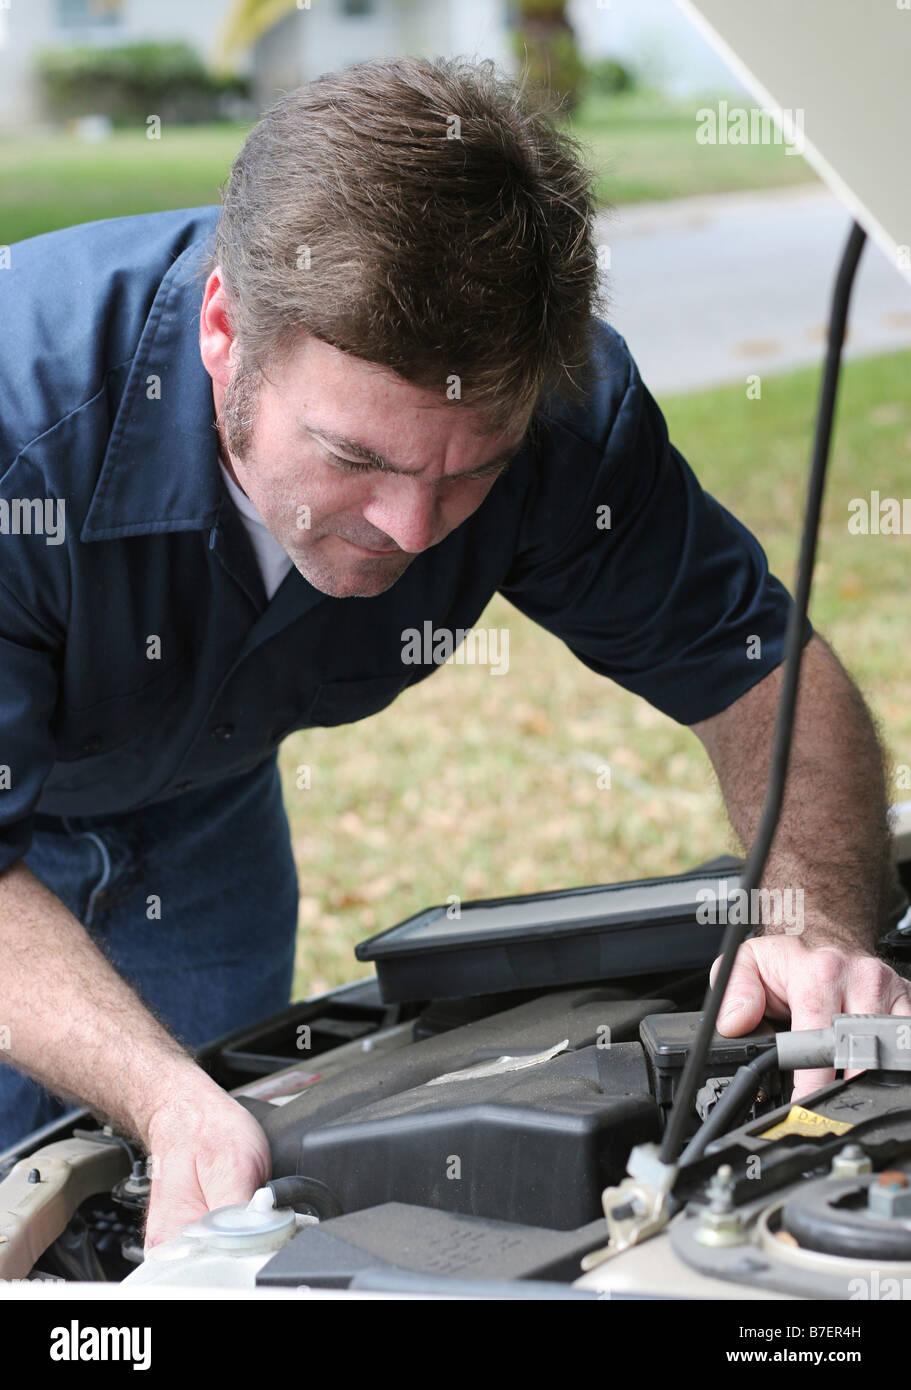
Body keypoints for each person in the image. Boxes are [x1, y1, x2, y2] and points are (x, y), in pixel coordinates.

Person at [0, 54, 907, 1250]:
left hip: (204, 798)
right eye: (356, 460)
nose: (412, 531)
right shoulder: (23, 431)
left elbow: (755, 670)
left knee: (212, 1172)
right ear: (224, 331)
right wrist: (163, 1097)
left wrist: (819, 926)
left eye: (469, 469)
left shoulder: (564, 421)